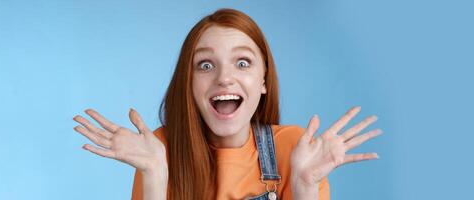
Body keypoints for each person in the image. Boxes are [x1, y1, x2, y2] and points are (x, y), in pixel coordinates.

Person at [73, 8, 381, 200]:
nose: (224, 78)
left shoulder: (294, 151)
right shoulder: (158, 150)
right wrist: (155, 174)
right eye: (206, 65)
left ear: (263, 80)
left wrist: (304, 187)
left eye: (243, 63)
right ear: (189, 83)